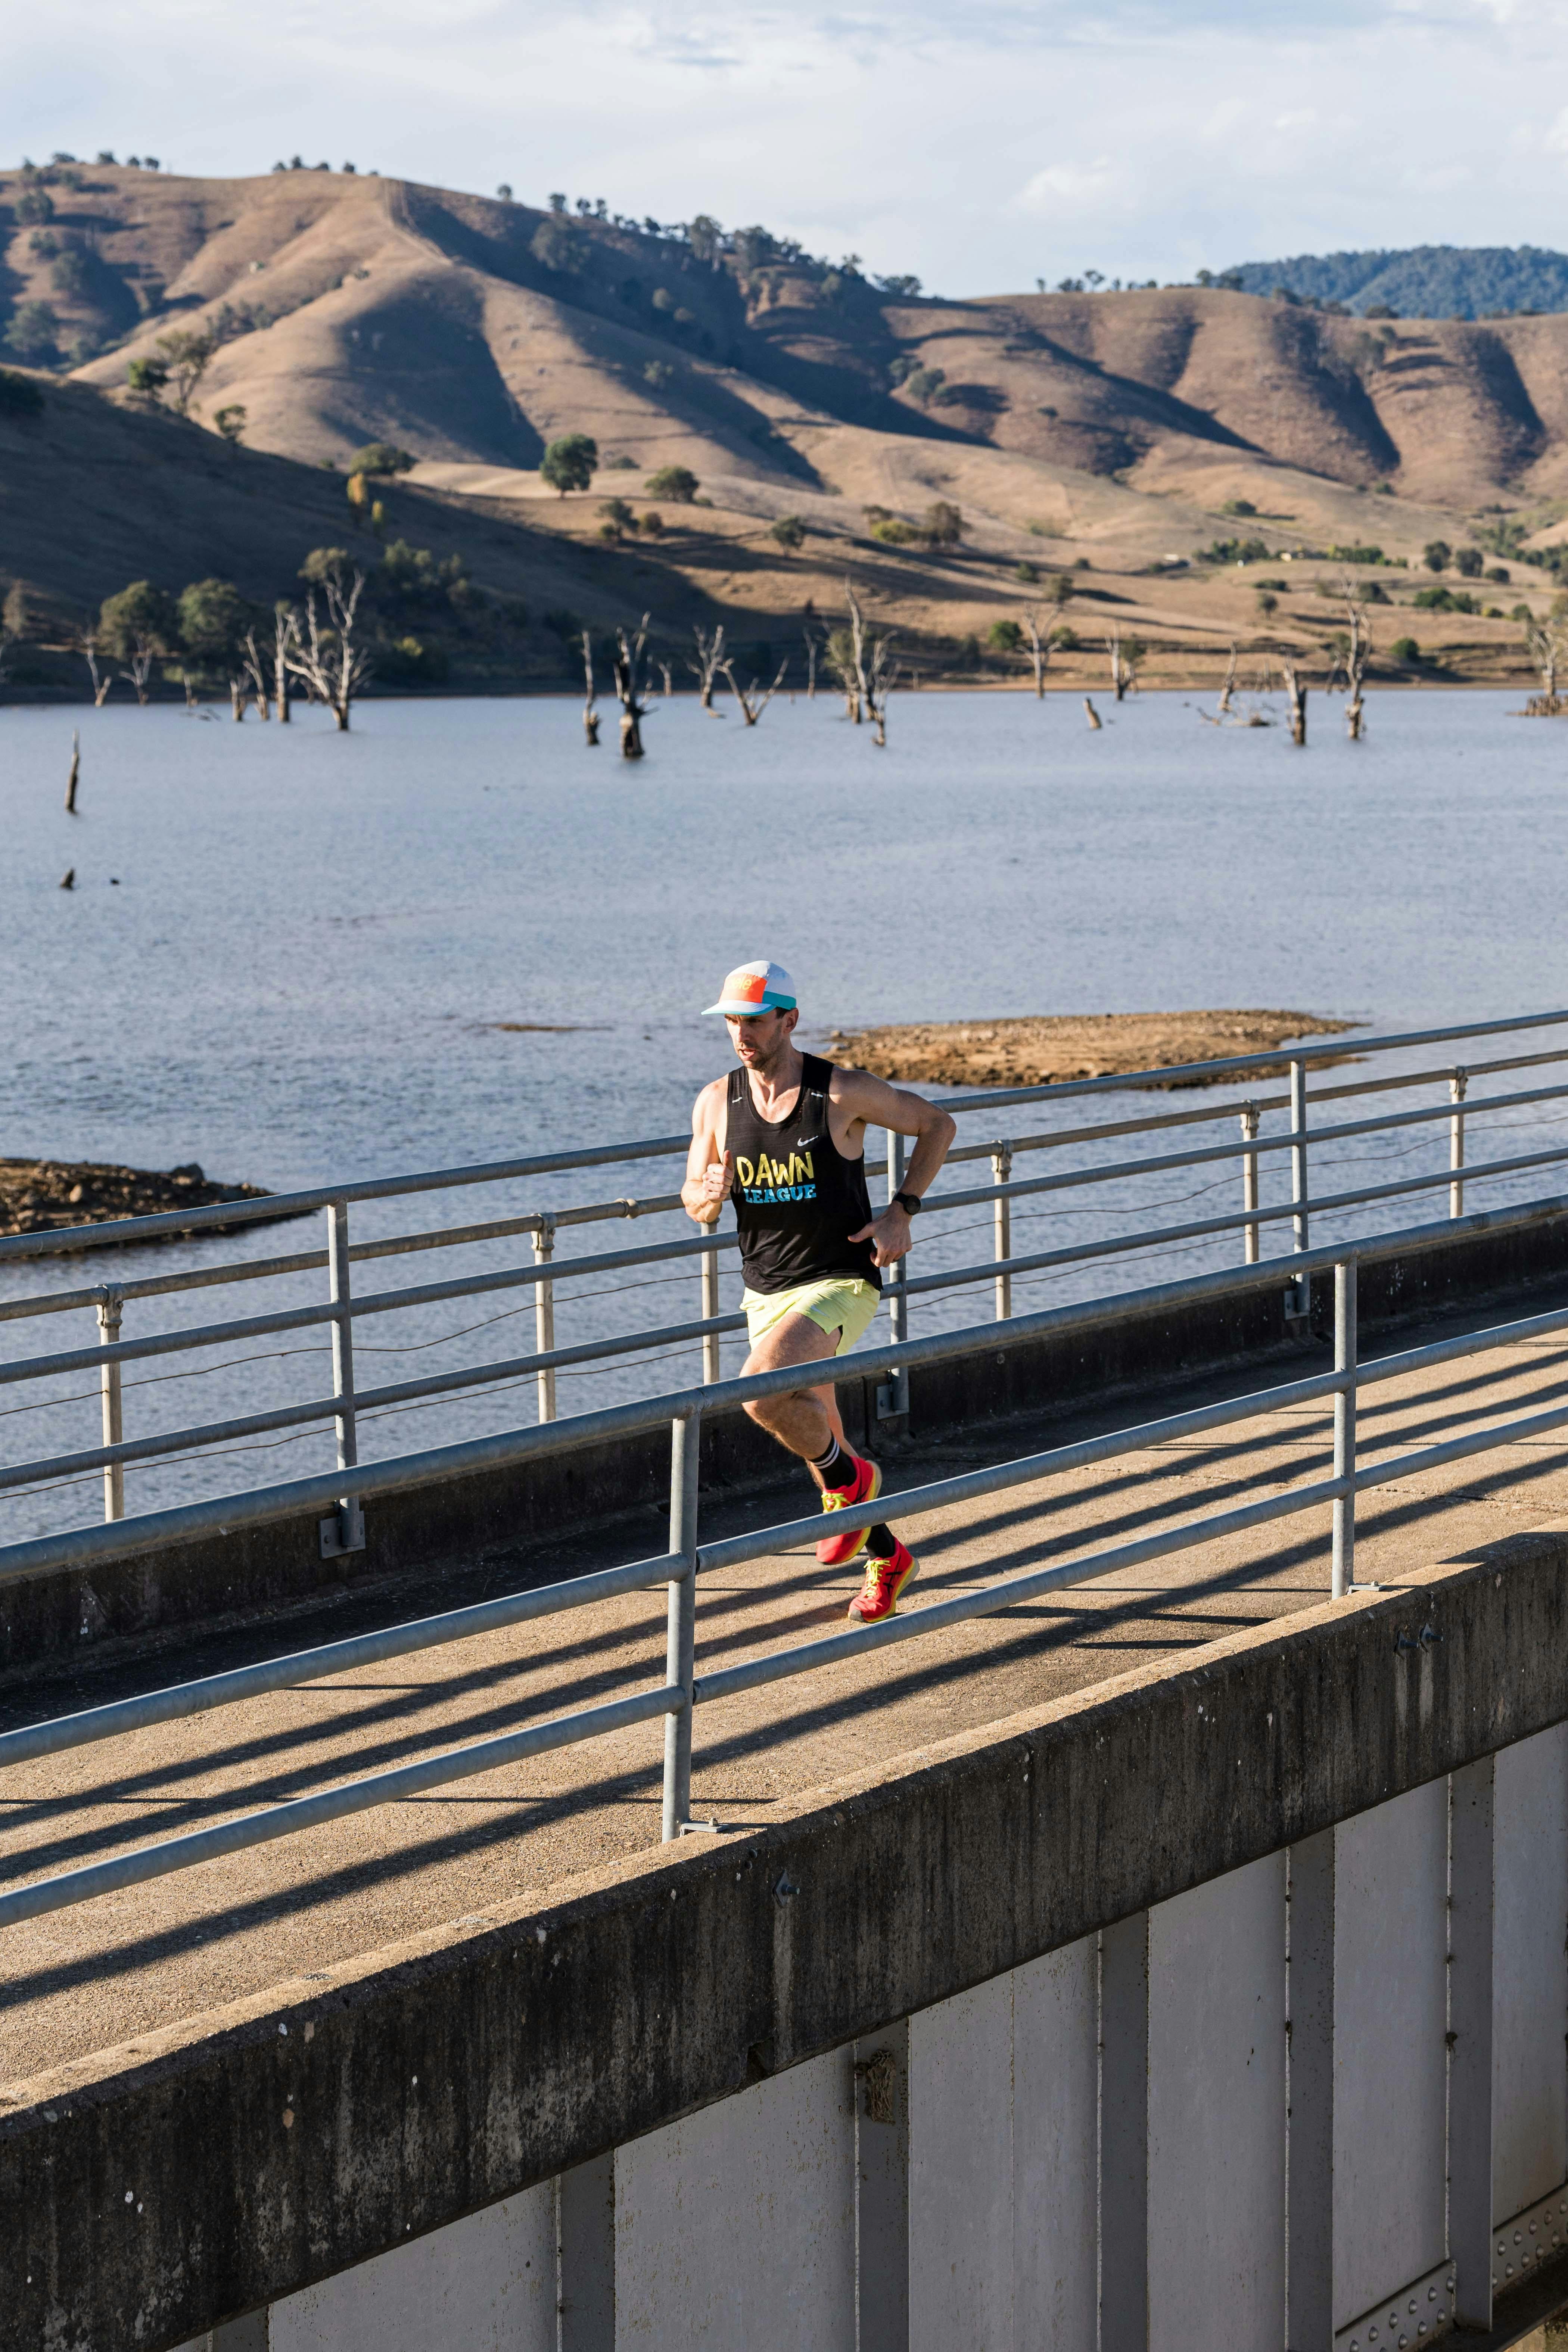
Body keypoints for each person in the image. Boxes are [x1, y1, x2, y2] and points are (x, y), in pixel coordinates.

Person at [681, 959, 956, 1622]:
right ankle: (887, 1557)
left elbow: (937, 1125)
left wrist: (902, 1211)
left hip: (840, 1279)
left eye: (753, 1021)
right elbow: (694, 1195)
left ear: (790, 1019)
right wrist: (706, 1195)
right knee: (814, 1428)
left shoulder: (840, 1092)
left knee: (760, 1392)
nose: (741, 1034)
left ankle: (850, 1481)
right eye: (731, 1023)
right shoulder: (718, 1102)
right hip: (767, 1291)